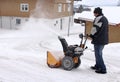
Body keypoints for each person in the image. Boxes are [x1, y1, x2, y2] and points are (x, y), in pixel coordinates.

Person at [89, 7, 109, 74]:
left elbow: (95, 28)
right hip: (103, 39)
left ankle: (103, 69)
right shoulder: (104, 18)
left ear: (97, 13)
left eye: (94, 13)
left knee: (98, 54)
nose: (93, 14)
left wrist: (91, 35)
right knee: (98, 53)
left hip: (99, 39)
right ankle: (97, 66)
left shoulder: (99, 19)